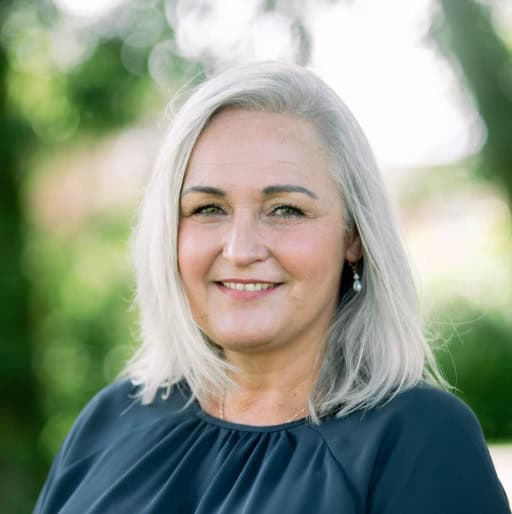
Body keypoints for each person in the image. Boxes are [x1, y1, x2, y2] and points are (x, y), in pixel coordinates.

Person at [33, 61, 510, 514]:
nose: (240, 249)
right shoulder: (112, 419)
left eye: (285, 210)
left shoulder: (419, 439)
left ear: (354, 237)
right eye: (207, 209)